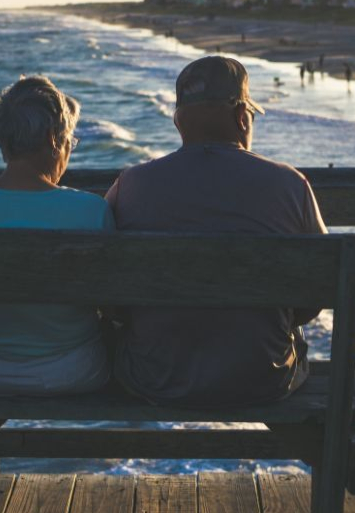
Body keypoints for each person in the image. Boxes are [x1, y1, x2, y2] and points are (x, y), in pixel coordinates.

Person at [105, 56, 327, 408]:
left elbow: (105, 286)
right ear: (242, 118)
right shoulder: (290, 184)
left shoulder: (129, 185)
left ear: (179, 123)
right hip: (263, 379)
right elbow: (322, 284)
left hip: (155, 377)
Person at [0, 76, 113, 396]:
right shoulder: (91, 210)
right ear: (52, 138)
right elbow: (111, 303)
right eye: (70, 139)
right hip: (70, 372)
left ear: (2, 140)